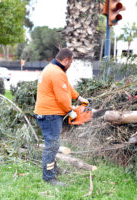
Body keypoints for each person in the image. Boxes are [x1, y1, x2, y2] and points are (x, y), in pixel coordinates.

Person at [34, 48, 89, 187]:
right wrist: (70, 111)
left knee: (53, 144)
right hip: (50, 114)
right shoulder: (57, 73)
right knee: (52, 145)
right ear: (66, 60)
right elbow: (62, 98)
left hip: (47, 112)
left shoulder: (52, 69)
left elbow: (66, 88)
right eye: (71, 61)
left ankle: (53, 169)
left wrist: (78, 97)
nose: (71, 64)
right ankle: (48, 177)